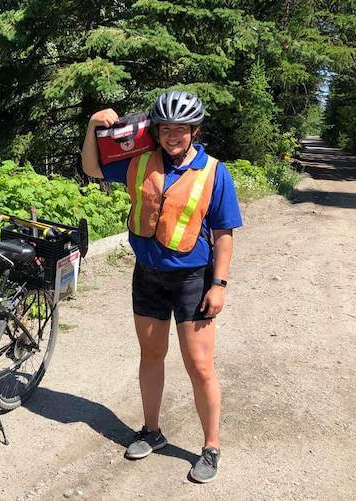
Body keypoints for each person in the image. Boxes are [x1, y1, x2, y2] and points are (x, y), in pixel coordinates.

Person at [80, 91, 242, 483]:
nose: (172, 136)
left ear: (194, 131)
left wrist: (218, 285)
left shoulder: (214, 172)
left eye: (180, 130)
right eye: (166, 129)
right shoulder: (140, 163)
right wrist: (91, 127)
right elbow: (93, 167)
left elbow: (223, 233)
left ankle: (211, 446)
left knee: (199, 365)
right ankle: (152, 431)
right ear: (156, 130)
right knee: (151, 354)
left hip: (193, 278)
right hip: (147, 274)